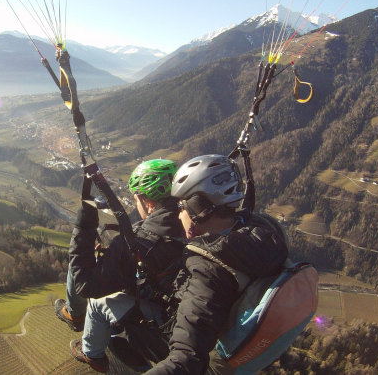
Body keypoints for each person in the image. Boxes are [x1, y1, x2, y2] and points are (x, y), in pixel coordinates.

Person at [143, 154, 289, 374]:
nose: (179, 214)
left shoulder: (209, 269)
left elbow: (185, 360)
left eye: (181, 206)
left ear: (197, 207)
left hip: (211, 359)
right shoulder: (264, 232)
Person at [53, 159, 186, 372]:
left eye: (136, 199)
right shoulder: (191, 222)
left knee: (97, 303)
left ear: (148, 203)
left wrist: (84, 227)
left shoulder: (139, 242)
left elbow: (86, 285)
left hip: (162, 324)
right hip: (179, 312)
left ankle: (91, 351)